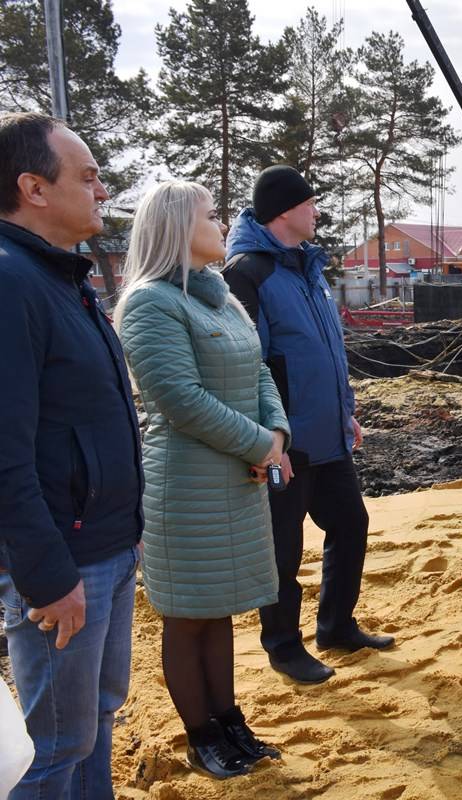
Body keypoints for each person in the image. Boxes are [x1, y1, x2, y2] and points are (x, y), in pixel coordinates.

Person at [115, 181, 291, 778]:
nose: (223, 224)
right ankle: (202, 736)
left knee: (218, 609)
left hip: (235, 479)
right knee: (188, 616)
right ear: (175, 227)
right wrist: (258, 444)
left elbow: (260, 370)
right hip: (186, 489)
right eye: (210, 215)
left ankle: (230, 722)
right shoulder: (149, 303)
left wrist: (278, 436)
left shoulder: (219, 297)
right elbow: (180, 401)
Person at [0, 111, 143, 799]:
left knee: (94, 723)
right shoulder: (10, 282)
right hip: (64, 565)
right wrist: (48, 575)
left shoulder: (64, 280)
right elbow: (5, 453)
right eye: (86, 177)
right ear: (33, 187)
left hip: (108, 548)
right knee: (53, 747)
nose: (101, 188)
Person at [223, 165, 392, 684]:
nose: (318, 211)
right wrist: (264, 440)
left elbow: (328, 351)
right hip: (285, 442)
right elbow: (249, 363)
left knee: (351, 524)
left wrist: (346, 411)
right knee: (283, 547)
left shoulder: (309, 268)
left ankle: (336, 626)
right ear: (284, 210)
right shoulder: (247, 272)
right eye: (310, 202)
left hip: (329, 434)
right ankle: (282, 645)